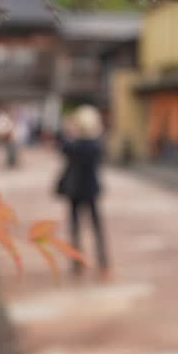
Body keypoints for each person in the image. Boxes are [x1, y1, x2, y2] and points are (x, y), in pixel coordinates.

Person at [57, 105, 110, 278]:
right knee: (96, 227)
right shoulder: (95, 146)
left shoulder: (76, 146)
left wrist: (70, 131)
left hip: (76, 190)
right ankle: (102, 261)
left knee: (76, 227)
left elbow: (63, 147)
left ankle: (77, 262)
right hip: (91, 190)